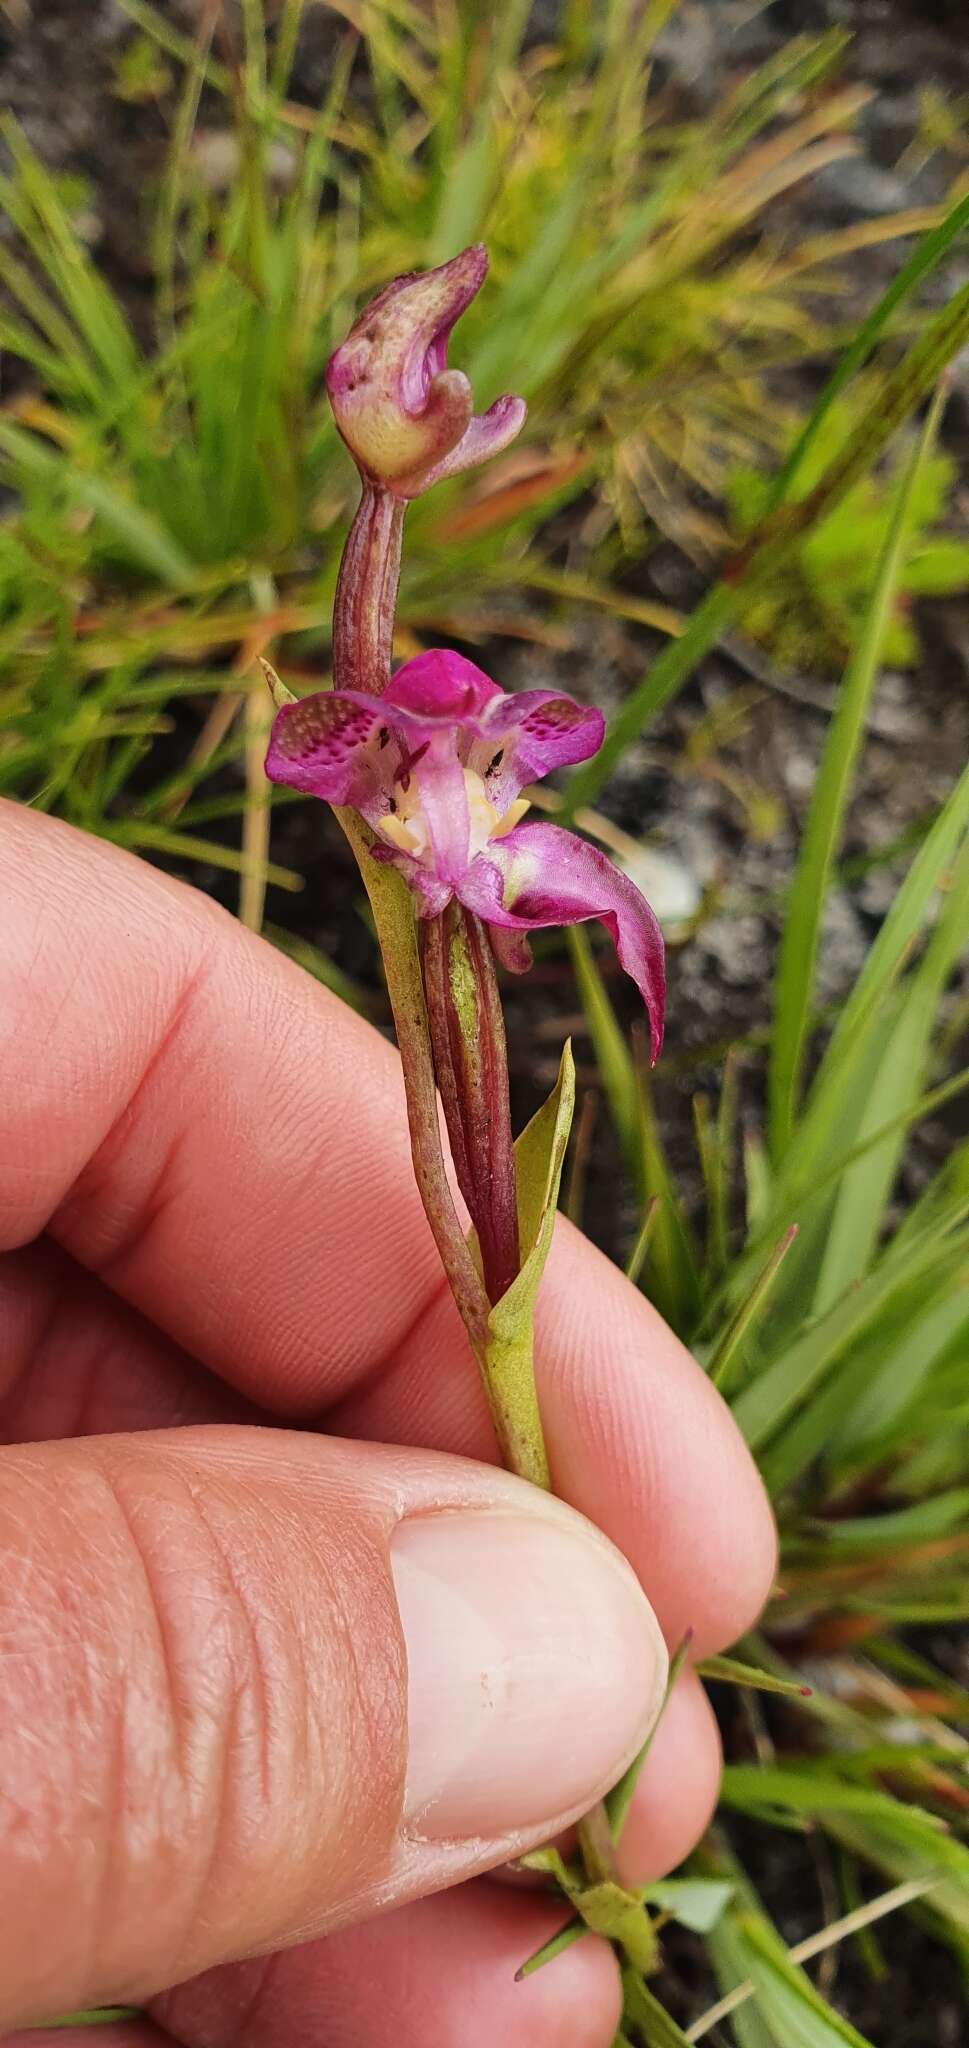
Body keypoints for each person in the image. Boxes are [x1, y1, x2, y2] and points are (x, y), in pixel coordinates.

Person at [0, 801, 776, 2046]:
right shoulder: (397, 835)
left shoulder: (502, 855)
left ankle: (618, 1907)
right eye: (427, 766)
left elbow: (626, 920)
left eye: (490, 761)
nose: (464, 785)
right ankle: (607, 1901)